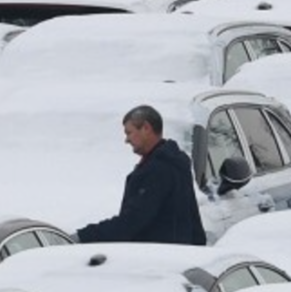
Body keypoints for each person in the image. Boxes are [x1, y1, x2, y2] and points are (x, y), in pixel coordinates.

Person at [76, 105, 206, 245]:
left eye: (129, 132)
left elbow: (132, 221)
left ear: (146, 128)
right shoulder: (174, 162)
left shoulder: (159, 170)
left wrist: (83, 236)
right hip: (175, 255)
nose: (126, 140)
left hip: (158, 259)